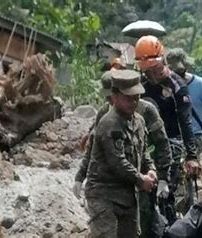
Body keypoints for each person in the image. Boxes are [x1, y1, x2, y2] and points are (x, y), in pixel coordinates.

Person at [72, 71, 172, 238]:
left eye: (136, 97)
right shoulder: (108, 121)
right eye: (128, 97)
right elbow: (116, 160)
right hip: (104, 192)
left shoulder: (141, 118)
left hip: (129, 193)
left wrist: (156, 173)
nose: (133, 101)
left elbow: (148, 149)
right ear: (115, 96)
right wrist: (80, 176)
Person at [135, 35, 199, 219]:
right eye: (146, 71)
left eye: (154, 69)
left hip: (172, 144)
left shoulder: (177, 86)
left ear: (162, 61)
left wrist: (192, 156)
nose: (151, 74)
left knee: (169, 196)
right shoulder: (141, 84)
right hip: (146, 144)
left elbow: (186, 122)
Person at [166, 48, 202, 154]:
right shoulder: (164, 86)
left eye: (181, 72)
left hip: (194, 137)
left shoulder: (200, 84)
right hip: (171, 137)